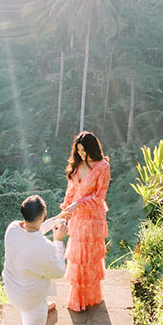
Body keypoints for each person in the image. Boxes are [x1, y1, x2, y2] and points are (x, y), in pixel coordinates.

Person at [0, 195, 68, 325]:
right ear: (43, 215)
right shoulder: (45, 247)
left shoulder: (13, 228)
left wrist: (58, 218)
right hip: (30, 299)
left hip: (12, 288)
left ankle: (43, 306)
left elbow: (35, 230)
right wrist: (58, 241)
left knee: (38, 269)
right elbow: (59, 271)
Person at [60, 131, 110, 312]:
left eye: (84, 150)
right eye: (79, 150)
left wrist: (77, 204)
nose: (81, 154)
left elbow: (99, 196)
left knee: (88, 258)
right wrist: (66, 209)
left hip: (93, 216)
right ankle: (79, 298)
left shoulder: (102, 166)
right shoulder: (78, 165)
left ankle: (89, 297)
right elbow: (71, 190)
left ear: (92, 149)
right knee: (78, 257)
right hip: (78, 216)